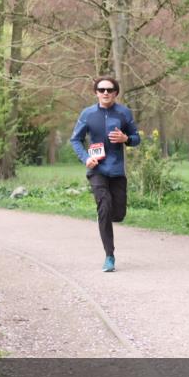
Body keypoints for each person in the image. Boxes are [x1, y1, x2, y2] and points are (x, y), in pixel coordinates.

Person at [70, 76, 141, 272]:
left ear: (115, 93)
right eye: (101, 90)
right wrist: (86, 158)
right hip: (97, 169)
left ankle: (107, 217)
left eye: (109, 90)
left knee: (117, 213)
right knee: (104, 207)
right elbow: (75, 140)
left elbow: (137, 138)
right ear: (96, 93)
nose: (105, 93)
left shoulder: (124, 113)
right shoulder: (88, 114)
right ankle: (109, 256)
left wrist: (126, 138)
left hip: (117, 171)